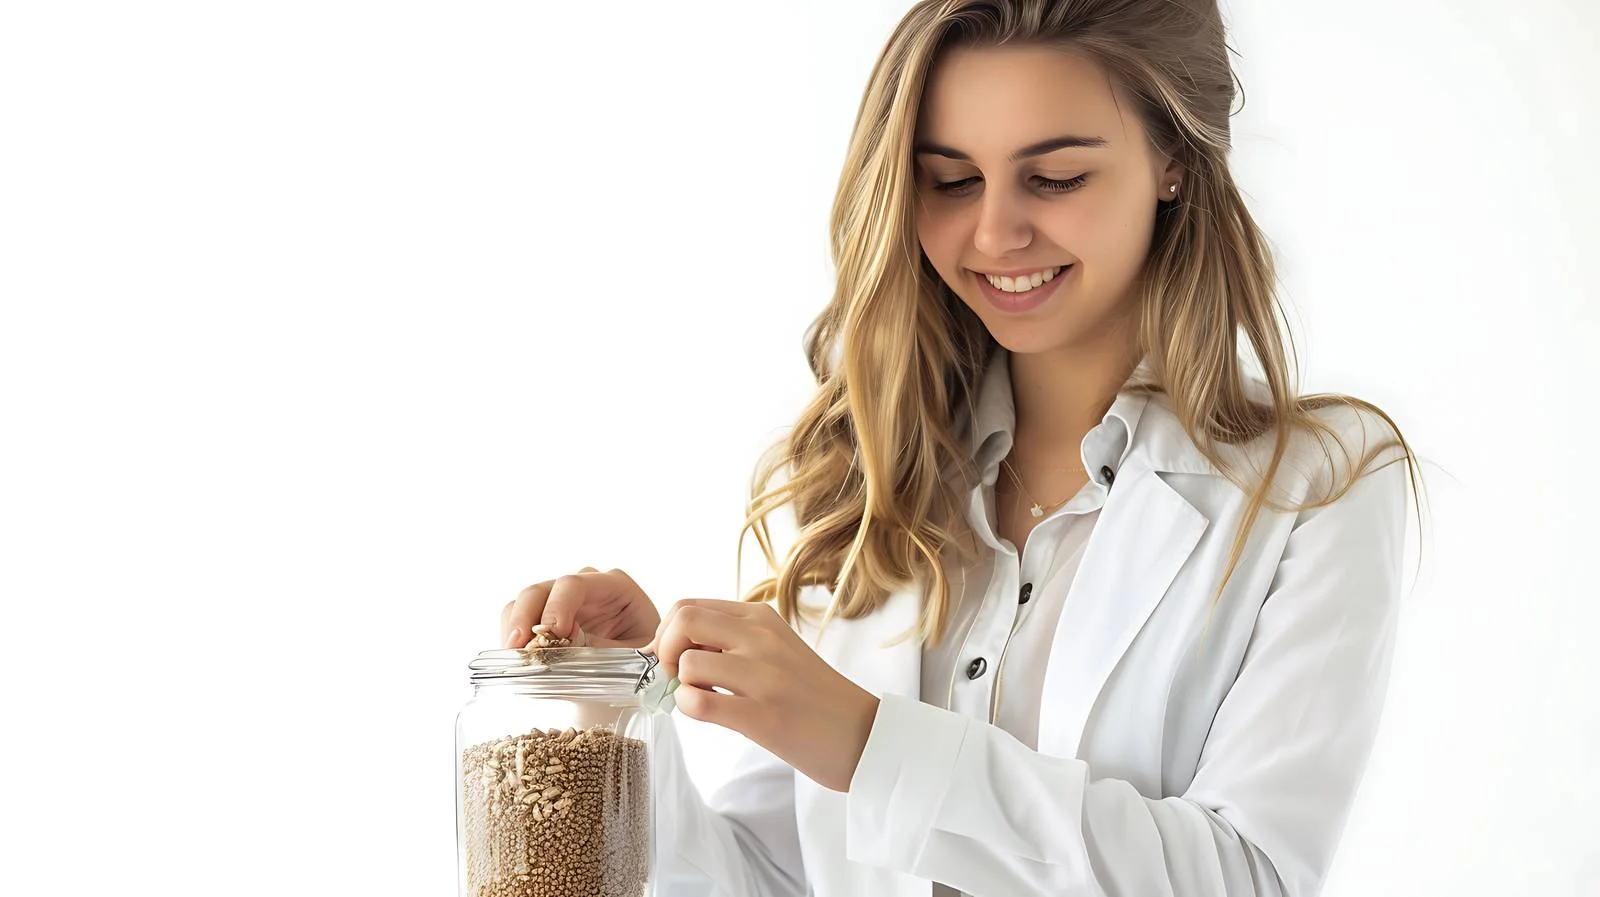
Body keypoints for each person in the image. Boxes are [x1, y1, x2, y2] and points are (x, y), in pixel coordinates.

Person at [498, 1, 1424, 894]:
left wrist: (870, 744)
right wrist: (615, 703)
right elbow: (776, 879)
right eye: (951, 179)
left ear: (1175, 159)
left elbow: (1246, 875)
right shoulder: (873, 478)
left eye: (1055, 177)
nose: (994, 232)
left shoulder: (1320, 488)